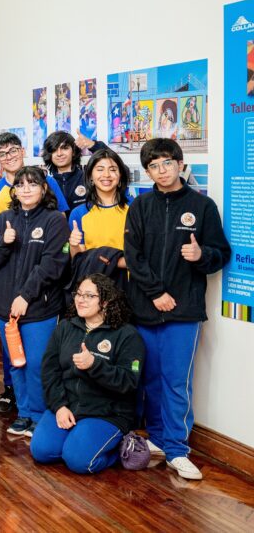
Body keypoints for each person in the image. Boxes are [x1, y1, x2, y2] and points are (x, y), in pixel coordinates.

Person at [125, 138, 230, 480]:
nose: (161, 171)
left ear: (181, 164)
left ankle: (177, 449)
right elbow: (134, 256)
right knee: (150, 379)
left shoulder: (202, 206)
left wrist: (202, 257)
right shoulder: (140, 206)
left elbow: (220, 253)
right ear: (148, 171)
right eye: (153, 166)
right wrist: (155, 293)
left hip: (183, 311)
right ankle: (156, 436)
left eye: (167, 163)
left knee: (175, 382)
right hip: (145, 307)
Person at [0, 166, 69, 438]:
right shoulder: (4, 219)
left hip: (39, 307)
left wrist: (25, 296)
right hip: (3, 307)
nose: (27, 189)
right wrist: (4, 243)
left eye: (33, 184)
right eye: (21, 185)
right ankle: (23, 413)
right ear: (14, 191)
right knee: (15, 363)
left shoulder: (55, 220)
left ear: (44, 189)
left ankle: (39, 414)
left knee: (36, 363)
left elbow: (53, 265)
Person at [32, 274, 145, 474]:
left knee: (79, 462)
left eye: (89, 296)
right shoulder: (65, 327)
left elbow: (129, 381)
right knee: (41, 452)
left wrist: (95, 365)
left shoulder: (127, 335)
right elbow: (50, 371)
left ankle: (117, 449)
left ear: (106, 301)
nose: (81, 299)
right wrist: (59, 406)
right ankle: (77, 441)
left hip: (106, 413)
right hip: (69, 407)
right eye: (79, 294)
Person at [68, 148, 130, 289]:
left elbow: (141, 254)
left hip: (128, 286)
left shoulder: (134, 209)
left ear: (120, 175)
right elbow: (79, 259)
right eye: (100, 169)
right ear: (90, 176)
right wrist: (73, 245)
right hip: (94, 288)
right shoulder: (79, 213)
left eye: (113, 169)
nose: (106, 175)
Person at [0, 132, 70, 217]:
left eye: (13, 151)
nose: (9, 157)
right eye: (2, 154)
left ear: (22, 151)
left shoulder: (46, 181)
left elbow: (61, 217)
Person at [42, 131, 106, 213]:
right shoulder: (45, 183)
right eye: (54, 150)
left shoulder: (89, 177)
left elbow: (117, 167)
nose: (59, 154)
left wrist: (94, 145)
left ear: (74, 151)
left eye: (64, 148)